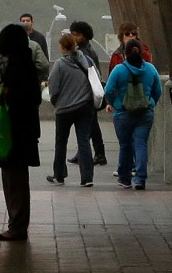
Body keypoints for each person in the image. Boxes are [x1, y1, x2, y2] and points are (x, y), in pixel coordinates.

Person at [0, 24, 42, 241]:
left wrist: (1, 91)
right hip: (22, 129)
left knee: (15, 180)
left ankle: (17, 226)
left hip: (16, 130)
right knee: (14, 178)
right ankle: (16, 224)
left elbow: (19, 96)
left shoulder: (19, 66)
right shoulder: (24, 63)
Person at [103, 39, 162, 190]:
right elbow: (158, 90)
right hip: (145, 113)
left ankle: (125, 178)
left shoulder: (119, 70)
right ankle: (140, 179)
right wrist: (151, 103)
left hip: (123, 113)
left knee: (125, 145)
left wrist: (116, 104)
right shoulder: (150, 69)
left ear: (125, 53)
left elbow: (108, 90)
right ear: (141, 52)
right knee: (141, 143)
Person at [46, 34, 95, 187]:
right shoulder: (87, 61)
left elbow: (53, 88)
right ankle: (87, 178)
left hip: (64, 109)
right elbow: (96, 79)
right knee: (84, 141)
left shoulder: (60, 64)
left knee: (61, 142)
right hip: (85, 107)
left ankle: (59, 175)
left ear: (62, 47)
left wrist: (55, 101)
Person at [106, 21, 152, 177]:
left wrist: (114, 103)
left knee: (131, 142)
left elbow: (110, 87)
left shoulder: (142, 53)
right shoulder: (118, 55)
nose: (131, 36)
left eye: (133, 34)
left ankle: (127, 172)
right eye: (127, 34)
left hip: (126, 107)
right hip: (133, 106)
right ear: (121, 36)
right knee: (137, 142)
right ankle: (138, 175)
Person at [66, 21, 107, 166]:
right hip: (89, 93)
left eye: (77, 35)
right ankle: (99, 153)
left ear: (85, 36)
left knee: (91, 125)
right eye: (73, 34)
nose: (74, 37)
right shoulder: (87, 50)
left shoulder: (85, 53)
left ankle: (95, 153)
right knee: (93, 124)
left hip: (87, 93)